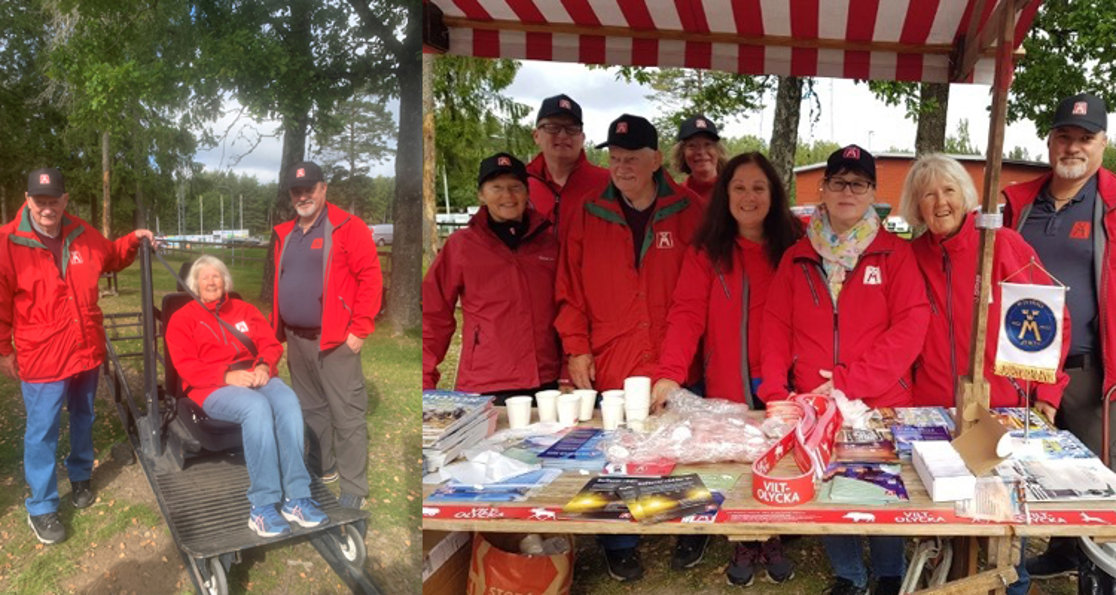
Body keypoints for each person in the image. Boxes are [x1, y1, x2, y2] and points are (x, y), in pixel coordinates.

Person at [760, 146, 929, 595]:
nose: (847, 191)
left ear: (873, 191)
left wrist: (852, 380)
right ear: (824, 189)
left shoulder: (895, 254)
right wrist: (776, 389)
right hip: (814, 399)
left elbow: (911, 327)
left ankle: (890, 572)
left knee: (882, 485)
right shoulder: (797, 256)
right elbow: (775, 326)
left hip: (880, 399)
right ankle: (849, 574)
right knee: (830, 483)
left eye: (858, 183)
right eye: (838, 182)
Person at [901, 153, 1071, 595]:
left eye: (949, 190)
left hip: (1000, 404)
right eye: (927, 194)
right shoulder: (911, 255)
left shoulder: (1001, 244)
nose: (939, 202)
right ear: (915, 205)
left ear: (966, 195)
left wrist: (1048, 394)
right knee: (946, 517)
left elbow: (1050, 319)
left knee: (1005, 526)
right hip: (934, 406)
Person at [555, 114, 704, 582]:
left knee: (684, 446)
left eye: (632, 158)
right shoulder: (586, 210)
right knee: (617, 451)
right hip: (613, 355)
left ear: (657, 160)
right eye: (614, 158)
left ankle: (688, 530)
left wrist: (678, 362)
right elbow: (569, 288)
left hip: (676, 357)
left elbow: (702, 293)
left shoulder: (691, 209)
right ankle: (620, 542)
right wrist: (577, 348)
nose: (621, 167)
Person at [653, 152, 804, 587]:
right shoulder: (707, 251)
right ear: (725, 194)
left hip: (780, 378)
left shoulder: (795, 245)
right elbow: (686, 314)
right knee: (733, 460)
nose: (749, 196)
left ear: (774, 194)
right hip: (728, 380)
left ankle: (773, 534)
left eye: (759, 187)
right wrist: (670, 372)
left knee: (778, 459)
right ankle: (742, 538)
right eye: (739, 187)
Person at [0, 168, 156, 544]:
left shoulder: (83, 233)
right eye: (40, 201)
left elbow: (113, 256)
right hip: (42, 356)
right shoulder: (6, 242)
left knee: (84, 415)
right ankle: (42, 505)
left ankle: (81, 473)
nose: (47, 207)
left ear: (65, 200)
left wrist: (133, 240)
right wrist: (4, 349)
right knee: (42, 431)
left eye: (54, 200)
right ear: (27, 199)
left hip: (85, 348)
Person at [1003, 93, 1116, 580]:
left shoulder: (1111, 202)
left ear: (1103, 144)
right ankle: (1061, 553)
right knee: (1025, 467)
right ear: (1050, 141)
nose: (1073, 147)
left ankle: (1096, 571)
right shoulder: (1019, 202)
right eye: (1064, 136)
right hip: (1021, 366)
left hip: (1087, 370)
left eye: (1085, 139)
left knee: (1092, 480)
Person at [167, 256, 328, 538]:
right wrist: (226, 377)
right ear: (194, 285)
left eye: (216, 276)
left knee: (287, 400)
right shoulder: (183, 319)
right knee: (256, 407)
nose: (211, 281)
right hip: (212, 387)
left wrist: (264, 364)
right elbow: (186, 366)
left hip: (255, 375)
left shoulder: (244, 310)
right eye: (204, 277)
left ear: (225, 280)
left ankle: (296, 498)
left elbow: (269, 342)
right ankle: (262, 506)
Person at [270, 161, 382, 511]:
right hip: (297, 338)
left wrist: (360, 328)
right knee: (312, 410)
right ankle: (325, 467)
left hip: (335, 340)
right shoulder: (286, 232)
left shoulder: (348, 227)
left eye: (309, 188)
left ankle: (354, 487)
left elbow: (371, 278)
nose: (303, 195)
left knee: (346, 414)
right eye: (296, 191)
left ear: (323, 188)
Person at [423, 153, 560, 403]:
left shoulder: (549, 244)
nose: (507, 196)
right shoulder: (461, 246)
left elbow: (567, 308)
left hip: (545, 381)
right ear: (481, 194)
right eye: (496, 187)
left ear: (527, 192)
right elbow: (433, 315)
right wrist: (424, 377)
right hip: (486, 382)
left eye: (515, 187)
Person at [526, 94, 610, 241]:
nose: (563, 135)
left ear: (582, 138)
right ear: (536, 136)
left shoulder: (608, 184)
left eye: (572, 128)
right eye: (553, 127)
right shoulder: (518, 184)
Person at [669, 115, 727, 203]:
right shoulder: (675, 198)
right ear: (682, 153)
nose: (701, 152)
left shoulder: (734, 191)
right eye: (692, 145)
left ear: (718, 150)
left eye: (708, 144)